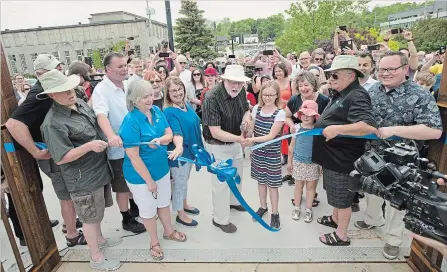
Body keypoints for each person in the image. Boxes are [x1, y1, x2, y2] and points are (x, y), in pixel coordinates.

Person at [355, 51, 442, 259]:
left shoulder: (419, 94)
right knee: (371, 192)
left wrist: (396, 130)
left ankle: (393, 239)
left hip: (403, 164)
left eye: (390, 69)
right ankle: (373, 219)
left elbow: (434, 130)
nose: (384, 73)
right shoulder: (371, 90)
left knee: (397, 203)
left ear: (405, 69)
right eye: (382, 69)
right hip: (372, 156)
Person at [39, 69, 121, 270]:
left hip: (98, 169)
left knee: (97, 213)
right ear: (51, 95)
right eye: (63, 90)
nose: (70, 92)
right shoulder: (52, 123)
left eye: (70, 88)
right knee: (89, 218)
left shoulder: (79, 103)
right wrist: (89, 146)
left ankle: (99, 240)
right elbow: (60, 158)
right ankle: (96, 257)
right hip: (82, 177)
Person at [5, 54, 78, 243]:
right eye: (54, 69)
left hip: (58, 148)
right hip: (51, 151)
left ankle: (69, 224)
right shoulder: (40, 93)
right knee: (66, 194)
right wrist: (35, 151)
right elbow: (13, 124)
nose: (59, 71)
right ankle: (71, 233)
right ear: (40, 74)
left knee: (69, 192)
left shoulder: (48, 88)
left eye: (59, 67)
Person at [313, 55, 377, 246]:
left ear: (350, 75)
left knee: (342, 199)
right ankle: (334, 219)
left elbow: (368, 126)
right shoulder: (341, 92)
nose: (330, 80)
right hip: (331, 157)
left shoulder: (357, 94)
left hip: (342, 159)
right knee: (334, 194)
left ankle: (342, 235)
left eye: (335, 76)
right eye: (330, 76)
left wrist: (338, 129)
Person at [119, 80, 186, 261]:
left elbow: (169, 134)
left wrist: (160, 140)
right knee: (148, 210)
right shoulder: (130, 121)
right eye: (144, 96)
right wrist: (149, 182)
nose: (150, 99)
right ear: (134, 99)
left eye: (151, 94)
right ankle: (154, 241)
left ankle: (168, 231)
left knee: (164, 203)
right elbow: (134, 157)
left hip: (161, 170)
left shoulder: (156, 111)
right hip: (141, 177)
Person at [91, 52, 145, 234]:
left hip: (136, 143)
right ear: (108, 69)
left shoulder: (129, 83)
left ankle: (134, 206)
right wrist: (111, 136)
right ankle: (126, 218)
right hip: (119, 148)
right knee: (122, 186)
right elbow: (101, 115)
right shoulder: (101, 90)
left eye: (125, 65)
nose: (124, 69)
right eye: (120, 67)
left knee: (136, 179)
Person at [201, 65, 251, 233]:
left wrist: (246, 119)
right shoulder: (211, 97)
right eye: (232, 82)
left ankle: (234, 202)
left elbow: (246, 110)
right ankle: (220, 219)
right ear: (224, 80)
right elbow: (215, 132)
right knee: (221, 183)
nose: (235, 86)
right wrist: (241, 139)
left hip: (235, 141)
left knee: (237, 175)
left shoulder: (241, 91)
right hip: (217, 146)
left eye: (239, 83)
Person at [163, 77, 204, 227]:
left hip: (190, 152)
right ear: (167, 93)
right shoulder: (169, 111)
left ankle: (184, 203)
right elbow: (176, 131)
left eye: (179, 89)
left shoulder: (185, 105)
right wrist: (179, 147)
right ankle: (180, 213)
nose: (178, 92)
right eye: (173, 90)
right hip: (180, 155)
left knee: (184, 181)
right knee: (179, 183)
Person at [244, 81, 285, 230]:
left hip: (272, 154)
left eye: (271, 95)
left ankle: (275, 213)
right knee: (261, 182)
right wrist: (246, 129)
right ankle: (263, 206)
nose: (267, 98)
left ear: (276, 96)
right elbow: (251, 129)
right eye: (265, 94)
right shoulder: (256, 109)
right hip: (258, 152)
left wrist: (251, 140)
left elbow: (271, 136)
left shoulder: (279, 113)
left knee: (273, 185)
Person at [283, 71, 329, 186]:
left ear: (313, 85)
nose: (303, 88)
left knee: (313, 173)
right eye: (300, 86)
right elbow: (286, 116)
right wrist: (291, 125)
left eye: (306, 85)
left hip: (316, 141)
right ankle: (298, 194)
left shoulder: (324, 100)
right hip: (297, 140)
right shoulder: (294, 100)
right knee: (298, 173)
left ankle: (312, 194)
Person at [288, 100, 321, 223]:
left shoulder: (318, 130)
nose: (306, 117)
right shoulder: (296, 129)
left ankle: (308, 209)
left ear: (315, 116)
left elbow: (320, 148)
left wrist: (321, 164)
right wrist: (290, 162)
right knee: (298, 186)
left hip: (313, 163)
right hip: (298, 162)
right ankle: (297, 207)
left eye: (310, 114)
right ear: (300, 115)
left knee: (311, 188)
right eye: (304, 113)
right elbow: (291, 147)